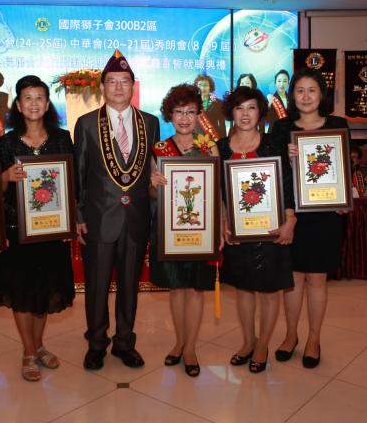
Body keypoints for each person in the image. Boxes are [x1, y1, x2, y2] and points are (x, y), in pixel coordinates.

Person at [74, 50, 160, 371]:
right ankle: (96, 344)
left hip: (136, 218)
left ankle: (125, 343)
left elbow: (152, 171)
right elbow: (79, 175)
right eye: (112, 82)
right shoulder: (86, 124)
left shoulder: (149, 123)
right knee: (96, 287)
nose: (119, 87)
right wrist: (78, 216)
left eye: (125, 81)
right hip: (98, 219)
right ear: (103, 87)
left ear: (133, 86)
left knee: (129, 286)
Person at [0, 75, 75, 381]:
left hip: (52, 229)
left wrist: (70, 221)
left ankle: (38, 346)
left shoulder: (62, 139)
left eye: (40, 97)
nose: (34, 103)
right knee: (22, 292)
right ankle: (28, 351)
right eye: (28, 98)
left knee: (43, 293)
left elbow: (72, 184)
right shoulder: (6, 143)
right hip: (17, 230)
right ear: (18, 104)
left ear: (48, 104)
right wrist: (5, 177)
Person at [270, 67, 349, 369]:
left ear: (321, 94)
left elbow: (344, 167)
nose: (305, 96)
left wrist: (345, 198)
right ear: (292, 95)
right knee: (292, 280)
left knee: (317, 279)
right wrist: (288, 159)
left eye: (311, 90)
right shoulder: (281, 128)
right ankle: (291, 335)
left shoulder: (337, 124)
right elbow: (274, 174)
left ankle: (314, 338)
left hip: (325, 214)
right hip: (292, 214)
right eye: (300, 90)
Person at [217, 86, 296, 374]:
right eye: (239, 108)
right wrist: (224, 222)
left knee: (269, 290)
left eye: (251, 107)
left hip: (270, 229)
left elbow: (287, 184)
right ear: (231, 113)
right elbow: (219, 191)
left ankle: (263, 344)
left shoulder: (272, 144)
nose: (245, 114)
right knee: (244, 289)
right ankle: (248, 341)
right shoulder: (220, 147)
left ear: (260, 112)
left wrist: (290, 220)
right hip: (238, 231)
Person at [149, 84, 219, 377]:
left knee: (195, 290)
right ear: (170, 115)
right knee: (177, 288)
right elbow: (152, 195)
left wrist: (221, 226)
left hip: (201, 231)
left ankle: (190, 348)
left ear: (199, 115)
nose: (185, 118)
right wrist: (153, 185)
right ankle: (178, 342)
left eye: (191, 112)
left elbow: (217, 191)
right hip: (171, 232)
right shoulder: (160, 149)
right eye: (179, 112)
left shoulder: (208, 146)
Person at [193, 74, 226, 139]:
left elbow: (222, 124)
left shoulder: (218, 103)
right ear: (196, 86)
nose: (203, 88)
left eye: (206, 85)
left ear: (210, 87)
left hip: (213, 138)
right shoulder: (191, 103)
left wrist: (223, 141)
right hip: (195, 139)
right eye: (200, 85)